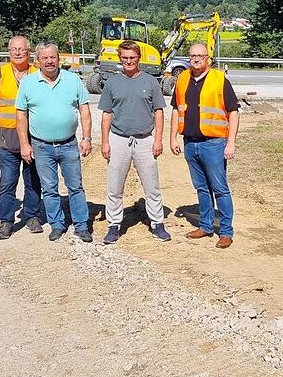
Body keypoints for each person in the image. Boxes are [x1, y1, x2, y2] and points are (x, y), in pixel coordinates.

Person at [15, 41, 94, 242]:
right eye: (45, 58)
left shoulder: (73, 80)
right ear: (37, 60)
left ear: (59, 59)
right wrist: (24, 144)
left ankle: (81, 225)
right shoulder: (28, 83)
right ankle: (57, 224)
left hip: (68, 144)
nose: (50, 61)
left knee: (75, 186)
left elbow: (84, 110)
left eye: (53, 57)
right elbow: (21, 115)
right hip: (41, 146)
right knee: (49, 189)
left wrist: (86, 138)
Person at [169, 44, 240, 249]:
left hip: (214, 144)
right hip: (190, 143)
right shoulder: (182, 79)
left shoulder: (220, 80)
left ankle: (226, 232)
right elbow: (176, 110)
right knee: (201, 188)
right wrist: (172, 137)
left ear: (207, 58)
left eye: (200, 56)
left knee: (220, 189)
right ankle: (206, 226)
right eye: (192, 56)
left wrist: (231, 143)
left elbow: (233, 112)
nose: (196, 59)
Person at [99, 41, 170, 244]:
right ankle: (114, 225)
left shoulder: (150, 82)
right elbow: (107, 114)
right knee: (114, 186)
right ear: (120, 58)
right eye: (125, 58)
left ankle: (157, 223)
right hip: (119, 139)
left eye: (132, 57)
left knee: (152, 186)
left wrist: (158, 140)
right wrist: (105, 142)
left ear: (138, 58)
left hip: (145, 140)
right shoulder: (112, 82)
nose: (129, 61)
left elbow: (159, 112)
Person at [0, 35, 44, 240]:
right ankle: (6, 221)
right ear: (8, 52)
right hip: (7, 140)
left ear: (29, 52)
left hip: (34, 137)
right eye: (14, 49)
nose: (18, 53)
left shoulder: (39, 73)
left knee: (33, 181)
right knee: (7, 183)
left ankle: (32, 216)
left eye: (22, 49)